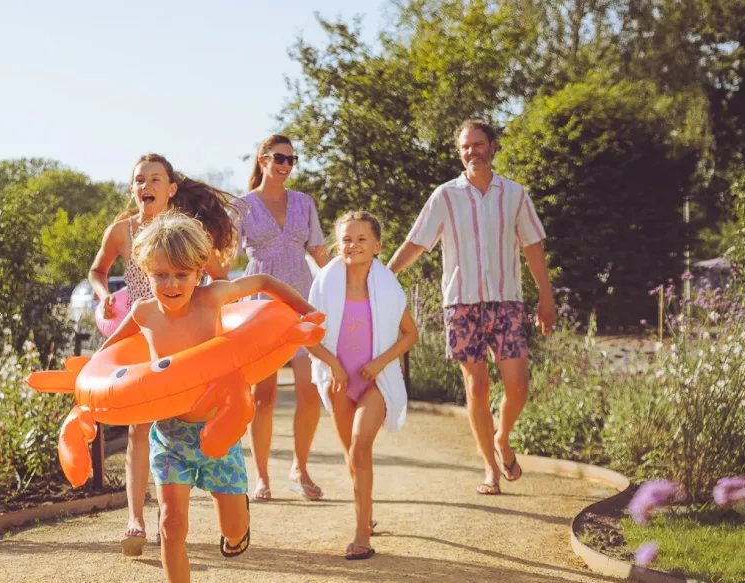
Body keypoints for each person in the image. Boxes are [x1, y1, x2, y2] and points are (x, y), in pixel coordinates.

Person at [100, 211, 320, 583]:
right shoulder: (143, 313)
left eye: (181, 275)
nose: (171, 284)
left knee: (233, 529)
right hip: (171, 434)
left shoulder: (213, 297)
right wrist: (86, 385)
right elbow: (107, 355)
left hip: (221, 427)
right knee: (171, 523)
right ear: (146, 272)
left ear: (199, 272)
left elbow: (266, 282)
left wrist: (305, 312)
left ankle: (239, 526)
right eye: (161, 274)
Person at [386, 119, 556, 496]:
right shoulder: (445, 196)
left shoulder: (514, 194)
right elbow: (417, 242)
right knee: (476, 387)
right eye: (465, 146)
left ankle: (503, 437)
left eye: (478, 144)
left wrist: (546, 296)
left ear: (493, 147)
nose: (471, 152)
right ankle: (490, 468)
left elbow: (532, 246)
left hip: (507, 302)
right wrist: (385, 274)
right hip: (461, 305)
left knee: (518, 385)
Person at [87, 154, 235, 555]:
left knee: (191, 419)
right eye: (139, 179)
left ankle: (219, 500)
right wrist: (103, 298)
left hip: (187, 336)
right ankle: (136, 518)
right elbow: (97, 271)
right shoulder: (120, 231)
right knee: (139, 425)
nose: (145, 185)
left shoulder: (191, 232)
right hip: (141, 330)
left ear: (171, 188)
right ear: (133, 188)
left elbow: (221, 280)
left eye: (155, 178)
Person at [306, 211, 417, 559]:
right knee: (352, 456)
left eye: (361, 239)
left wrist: (381, 362)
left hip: (375, 380)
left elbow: (411, 334)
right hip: (339, 382)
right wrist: (333, 364)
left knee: (359, 445)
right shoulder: (324, 285)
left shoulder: (387, 287)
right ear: (338, 245)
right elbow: (307, 337)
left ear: (377, 246)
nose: (353, 245)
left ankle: (361, 536)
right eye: (347, 239)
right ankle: (366, 517)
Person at [236, 134, 332, 501]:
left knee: (309, 394)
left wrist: (353, 284)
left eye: (292, 160)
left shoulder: (304, 203)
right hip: (260, 307)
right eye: (279, 158)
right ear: (262, 159)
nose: (286, 165)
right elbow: (225, 257)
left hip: (302, 302)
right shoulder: (242, 206)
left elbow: (321, 254)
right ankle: (261, 476)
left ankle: (300, 468)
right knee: (264, 396)